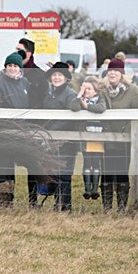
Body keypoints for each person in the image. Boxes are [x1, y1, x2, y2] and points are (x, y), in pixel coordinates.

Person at [0, 52, 30, 207]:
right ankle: (1, 200)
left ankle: (10, 198)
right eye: (9, 65)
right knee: (2, 165)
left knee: (12, 166)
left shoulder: (24, 83)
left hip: (20, 130)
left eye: (15, 66)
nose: (12, 68)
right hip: (3, 130)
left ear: (20, 68)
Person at [100, 58, 138, 212]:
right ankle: (107, 207)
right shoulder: (103, 89)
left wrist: (127, 130)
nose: (112, 73)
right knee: (107, 172)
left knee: (122, 172)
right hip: (106, 138)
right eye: (110, 70)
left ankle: (122, 207)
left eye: (116, 71)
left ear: (122, 73)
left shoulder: (132, 90)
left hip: (125, 138)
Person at [16, 36, 48, 206]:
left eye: (20, 50)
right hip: (16, 124)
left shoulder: (39, 76)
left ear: (28, 53)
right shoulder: (13, 70)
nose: (17, 53)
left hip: (34, 124)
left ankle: (33, 200)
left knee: (32, 161)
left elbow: (43, 100)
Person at [41, 62, 77, 211]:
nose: (56, 78)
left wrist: (52, 132)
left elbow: (69, 118)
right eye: (54, 75)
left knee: (64, 175)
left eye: (59, 75)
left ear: (65, 78)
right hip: (52, 140)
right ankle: (58, 204)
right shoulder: (50, 94)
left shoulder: (70, 94)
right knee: (55, 173)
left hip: (65, 141)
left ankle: (66, 206)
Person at [71, 76, 109, 200]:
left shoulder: (100, 99)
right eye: (84, 88)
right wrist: (79, 94)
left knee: (96, 162)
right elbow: (74, 107)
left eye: (89, 89)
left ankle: (95, 189)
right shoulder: (81, 100)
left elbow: (101, 108)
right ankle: (87, 189)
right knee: (87, 162)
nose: (86, 91)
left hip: (98, 136)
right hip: (85, 137)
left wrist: (87, 107)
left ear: (96, 91)